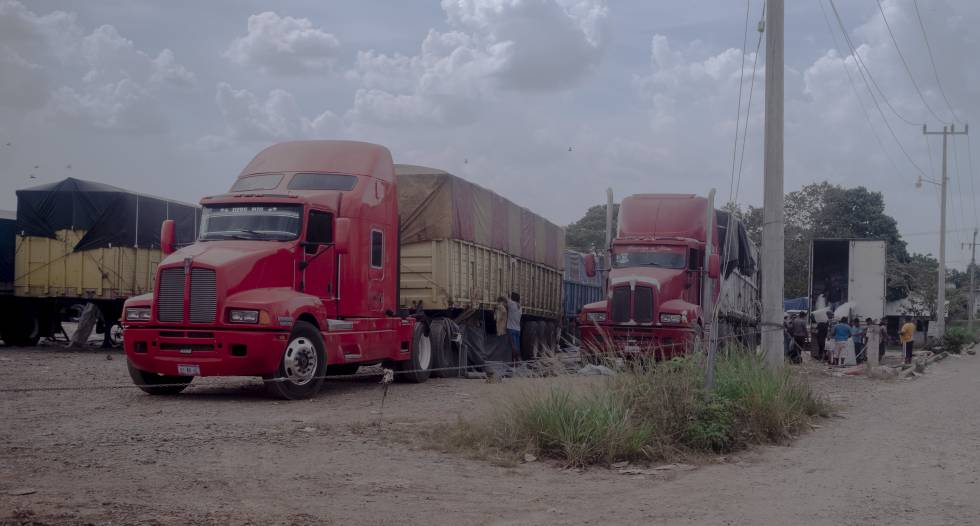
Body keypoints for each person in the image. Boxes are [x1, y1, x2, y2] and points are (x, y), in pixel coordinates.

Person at [507, 292, 523, 363]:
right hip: (517, 329)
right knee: (517, 347)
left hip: (511, 329)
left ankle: (516, 362)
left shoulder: (511, 304)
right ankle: (515, 362)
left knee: (513, 347)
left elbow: (505, 299)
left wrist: (508, 296)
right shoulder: (520, 307)